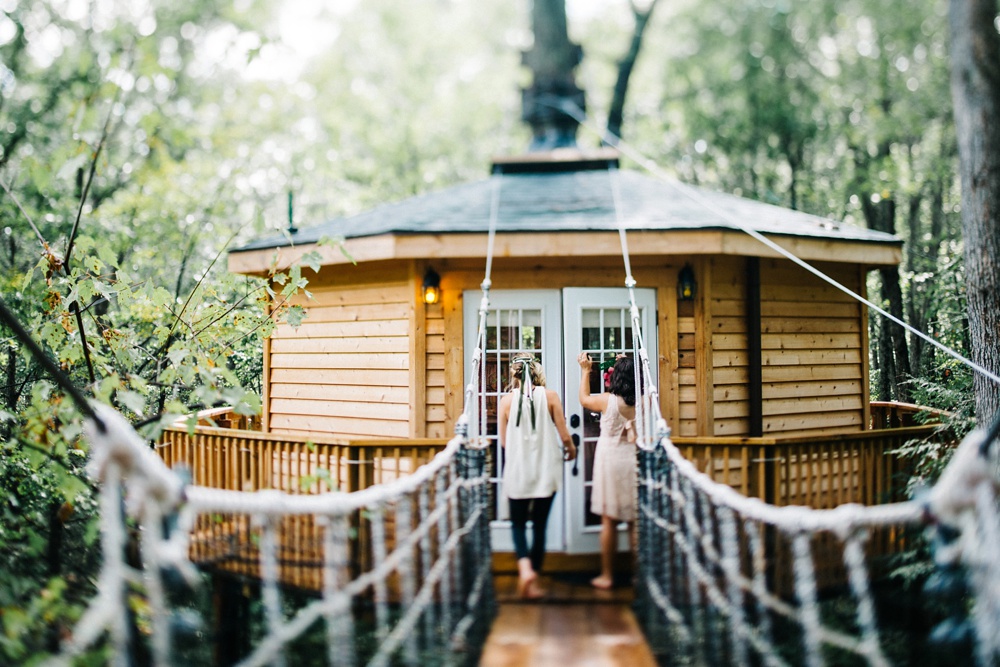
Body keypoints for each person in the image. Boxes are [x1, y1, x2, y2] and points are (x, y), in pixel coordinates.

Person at [498, 353, 576, 599]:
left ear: (515, 374)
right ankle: (535, 579)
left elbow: (503, 441)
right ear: (537, 373)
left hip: (518, 468)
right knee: (540, 525)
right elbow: (565, 436)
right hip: (546, 468)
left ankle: (524, 570)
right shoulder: (551, 396)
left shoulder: (505, 402)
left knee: (518, 523)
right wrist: (571, 450)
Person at [577, 351, 638, 589]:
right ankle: (637, 576)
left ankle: (607, 575)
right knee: (634, 521)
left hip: (610, 460)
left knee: (609, 520)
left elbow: (583, 399)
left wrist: (585, 371)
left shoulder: (607, 400)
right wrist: (628, 363)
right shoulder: (644, 401)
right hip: (633, 459)